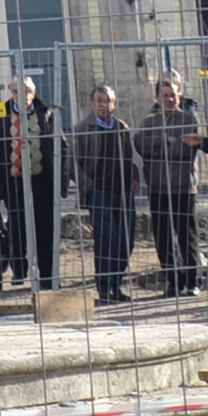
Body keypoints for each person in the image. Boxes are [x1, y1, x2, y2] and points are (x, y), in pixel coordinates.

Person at [137, 76, 206, 298]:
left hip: (183, 187)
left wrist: (155, 148)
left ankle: (192, 280)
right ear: (157, 97)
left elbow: (183, 153)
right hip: (157, 188)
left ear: (179, 96)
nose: (168, 99)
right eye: (164, 95)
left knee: (187, 236)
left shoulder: (188, 120)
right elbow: (139, 144)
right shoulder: (149, 122)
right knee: (163, 237)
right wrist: (164, 141)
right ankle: (172, 281)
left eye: (172, 95)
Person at [81, 84, 141, 304]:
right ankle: (105, 288)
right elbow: (71, 163)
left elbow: (128, 156)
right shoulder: (83, 128)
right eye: (98, 100)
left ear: (114, 104)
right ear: (92, 103)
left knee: (126, 240)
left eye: (107, 101)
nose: (103, 105)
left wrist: (134, 175)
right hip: (99, 193)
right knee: (107, 239)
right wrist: (88, 186)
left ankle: (116, 285)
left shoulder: (121, 127)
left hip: (123, 192)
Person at [7, 74, 64, 292]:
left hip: (42, 181)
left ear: (34, 93)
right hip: (14, 182)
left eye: (27, 91)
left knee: (45, 229)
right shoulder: (2, 115)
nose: (21, 96)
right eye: (16, 91)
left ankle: (48, 275)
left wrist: (59, 177)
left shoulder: (46, 114)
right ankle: (20, 271)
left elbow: (61, 146)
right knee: (17, 227)